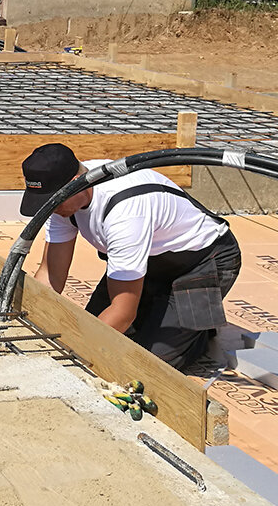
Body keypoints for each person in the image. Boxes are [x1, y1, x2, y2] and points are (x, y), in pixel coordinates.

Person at [19, 142, 241, 370]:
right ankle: (163, 310)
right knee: (96, 330)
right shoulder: (64, 199)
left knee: (149, 362)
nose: (51, 209)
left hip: (202, 263)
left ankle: (198, 327)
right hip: (148, 262)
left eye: (54, 202)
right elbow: (50, 276)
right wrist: (28, 324)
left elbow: (122, 312)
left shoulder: (125, 212)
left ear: (75, 184)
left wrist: (74, 354)